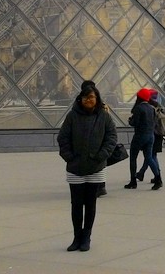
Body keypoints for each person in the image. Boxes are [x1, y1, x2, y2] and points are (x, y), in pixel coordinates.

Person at [57, 86, 117, 252]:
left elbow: (111, 138)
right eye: (85, 97)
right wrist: (69, 157)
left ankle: (86, 237)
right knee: (76, 204)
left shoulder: (104, 116)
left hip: (96, 167)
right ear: (80, 99)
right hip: (75, 167)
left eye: (91, 97)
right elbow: (63, 138)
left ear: (96, 98)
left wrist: (100, 156)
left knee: (90, 204)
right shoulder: (72, 116)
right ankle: (77, 237)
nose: (88, 100)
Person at [126, 88, 162, 190]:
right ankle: (158, 179)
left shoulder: (138, 108)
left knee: (133, 158)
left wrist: (130, 121)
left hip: (139, 136)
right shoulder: (151, 108)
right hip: (151, 136)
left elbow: (135, 123)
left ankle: (133, 181)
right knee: (149, 157)